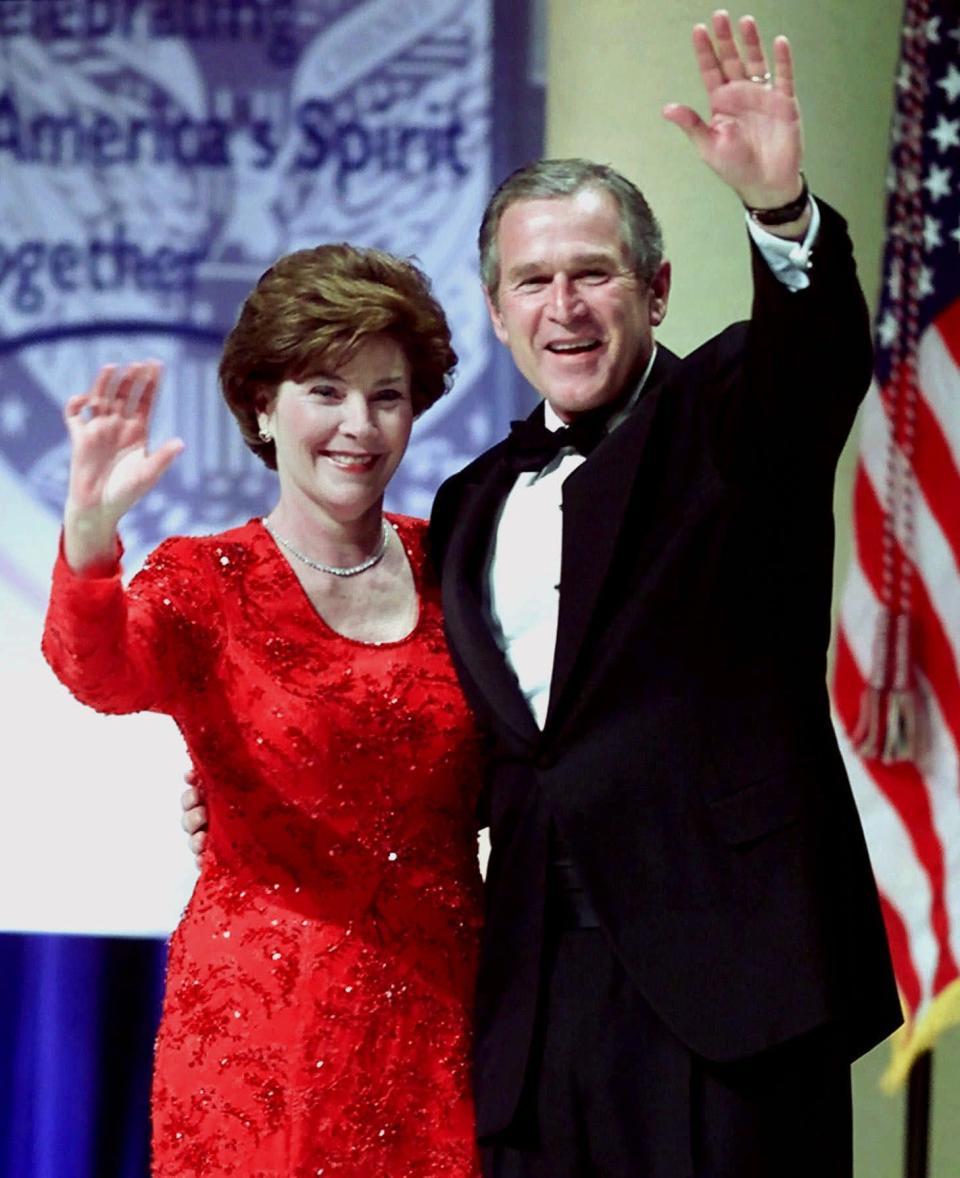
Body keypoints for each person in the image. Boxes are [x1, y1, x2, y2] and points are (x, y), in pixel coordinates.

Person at [185, 11, 903, 1176]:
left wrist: (781, 215)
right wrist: (261, 785)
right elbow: (425, 720)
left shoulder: (731, 418)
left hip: (724, 992)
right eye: (533, 279)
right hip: (524, 991)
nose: (563, 304)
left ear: (657, 290)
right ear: (499, 307)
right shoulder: (467, 505)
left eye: (593, 274)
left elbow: (814, 353)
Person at [42, 245, 486, 1177]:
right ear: (261, 407)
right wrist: (88, 545)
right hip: (258, 1038)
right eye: (325, 390)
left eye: (388, 396)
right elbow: (100, 672)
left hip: (448, 1023)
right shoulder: (206, 580)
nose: (359, 426)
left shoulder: (460, 567)